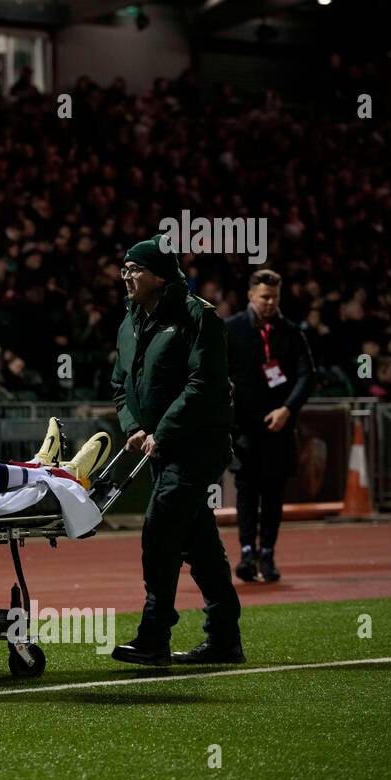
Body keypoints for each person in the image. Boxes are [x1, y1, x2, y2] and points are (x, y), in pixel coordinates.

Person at [110, 235, 243, 667]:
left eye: (135, 269)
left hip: (195, 445)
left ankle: (155, 635)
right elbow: (119, 386)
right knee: (197, 540)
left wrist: (160, 432)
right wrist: (134, 427)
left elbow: (203, 384)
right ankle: (224, 638)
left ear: (160, 275)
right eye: (124, 268)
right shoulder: (130, 321)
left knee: (160, 530)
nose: (126, 276)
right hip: (160, 446)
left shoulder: (197, 318)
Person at [226, 269, 314, 583]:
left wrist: (287, 410)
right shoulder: (231, 330)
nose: (269, 302)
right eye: (264, 296)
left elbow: (307, 376)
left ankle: (268, 554)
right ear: (251, 295)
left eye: (274, 297)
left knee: (274, 493)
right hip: (244, 428)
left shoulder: (291, 332)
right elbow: (214, 372)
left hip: (280, 427)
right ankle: (247, 550)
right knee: (247, 491)